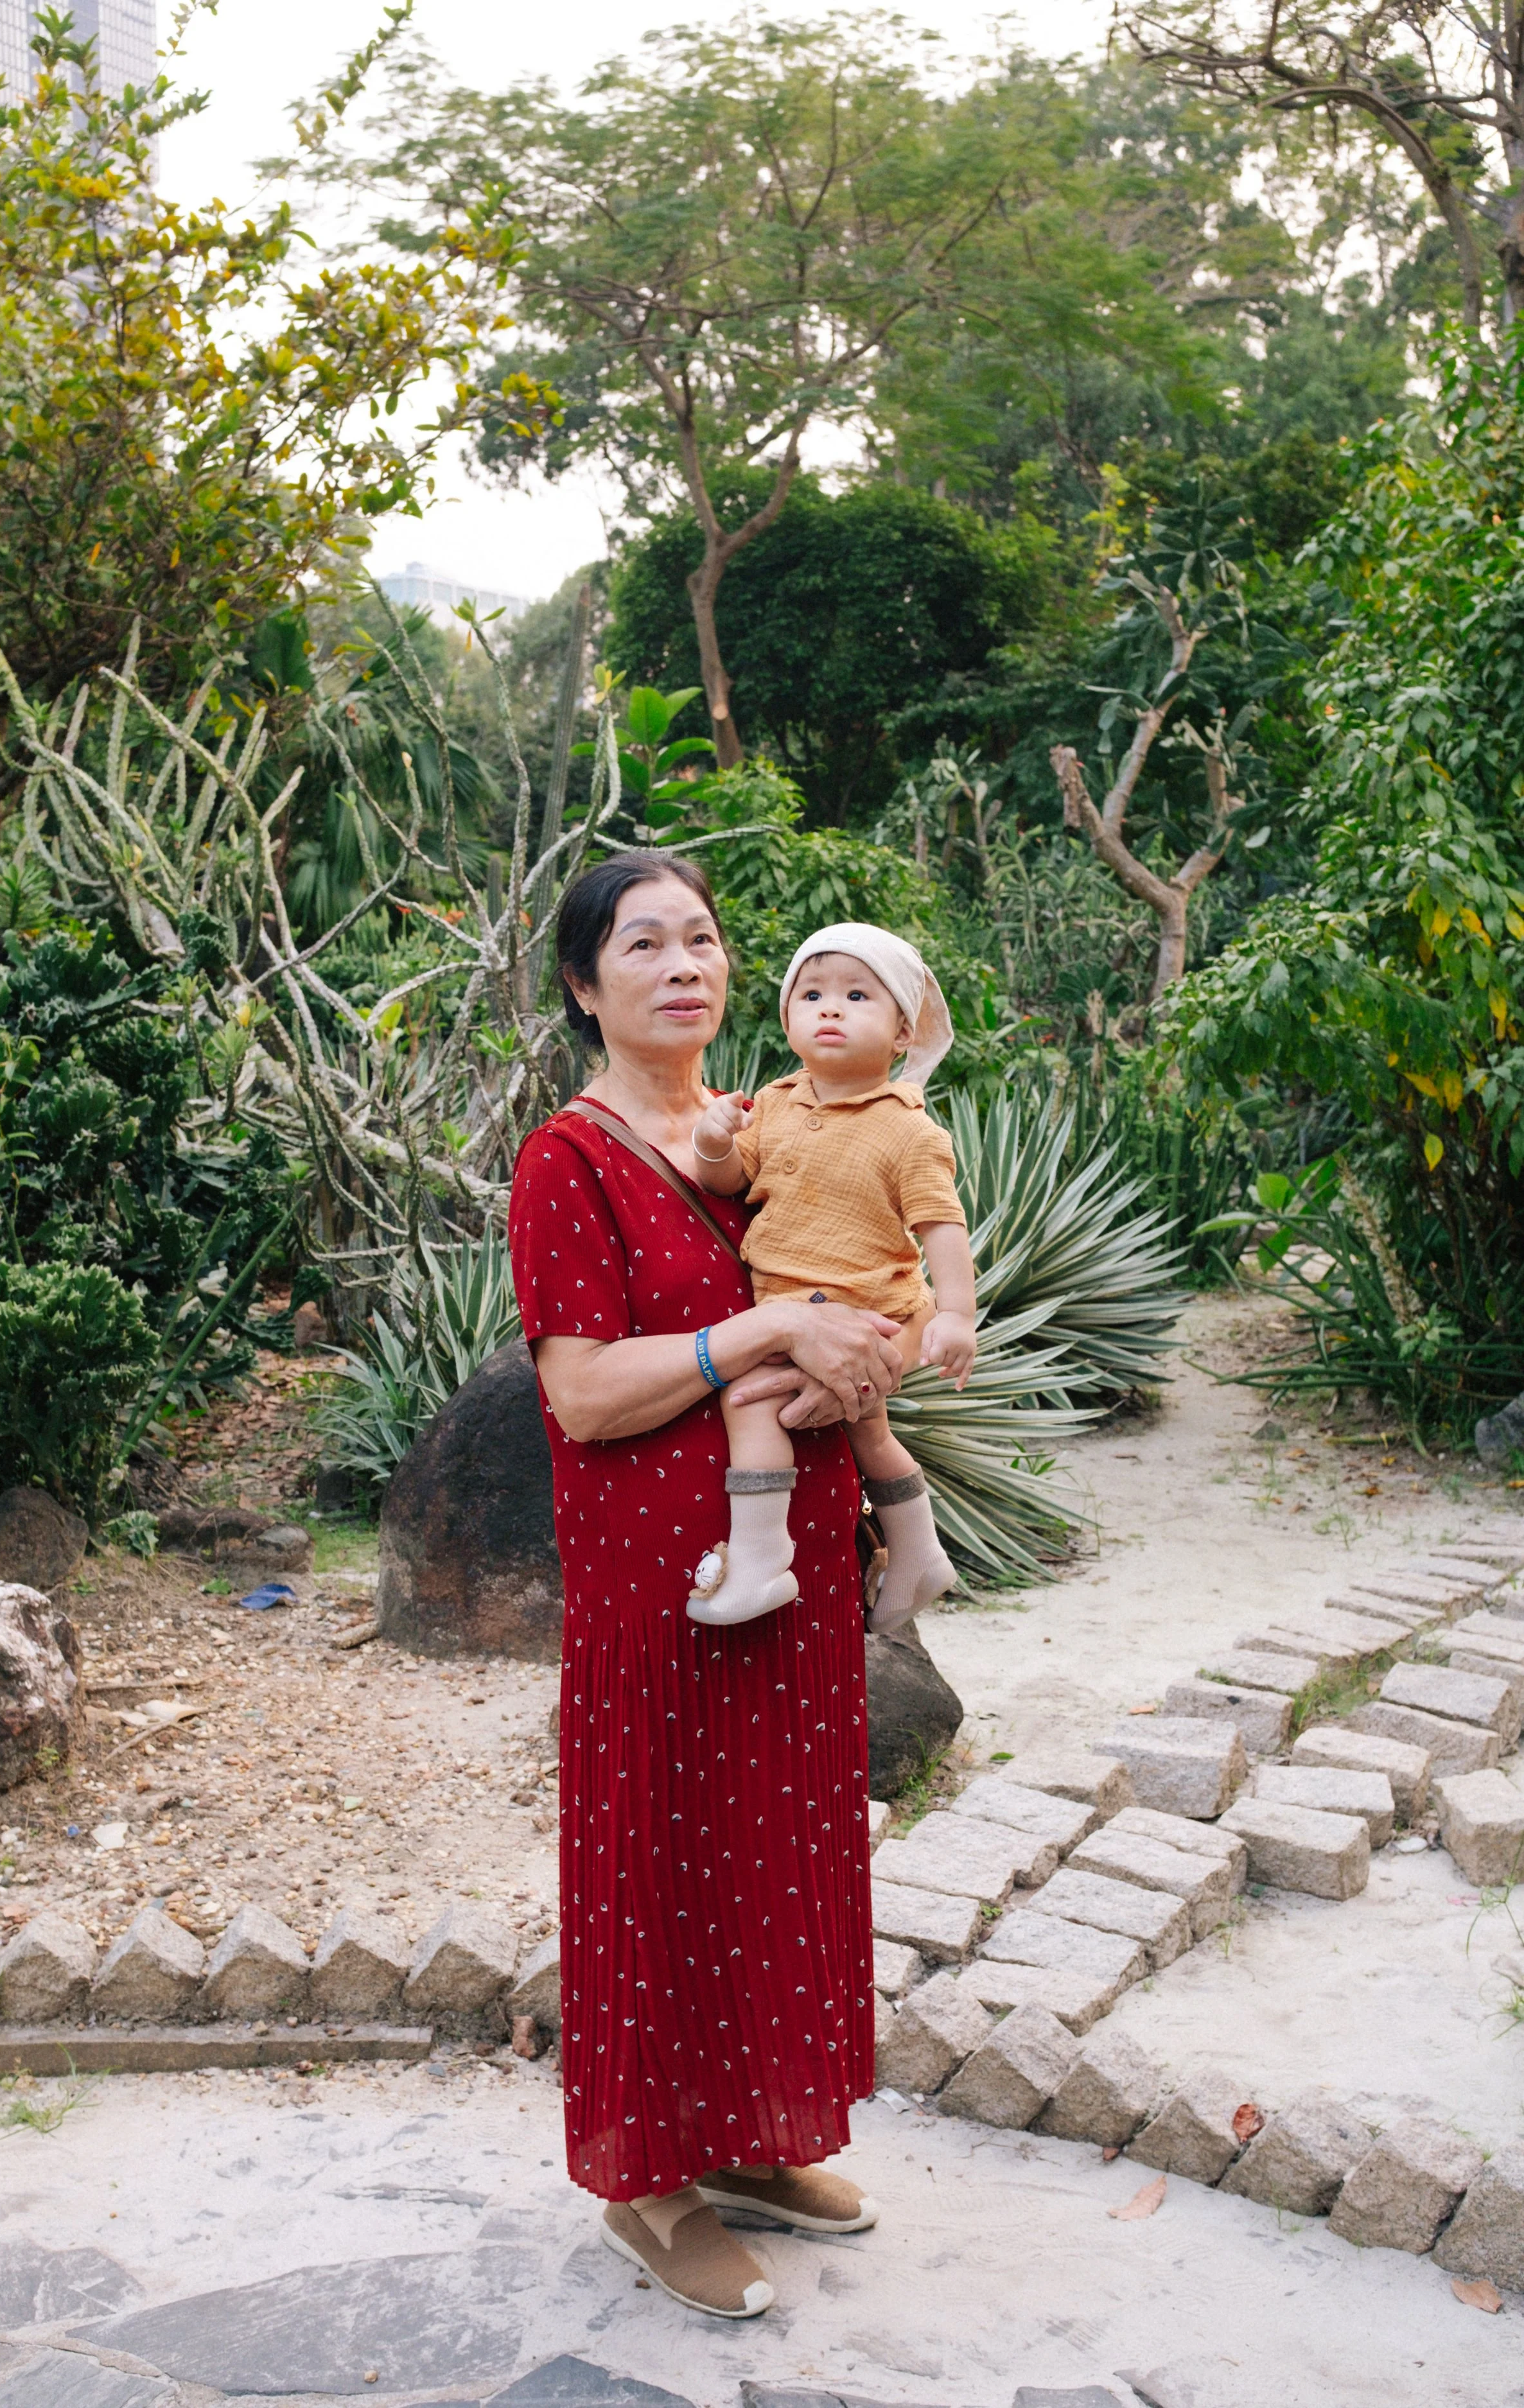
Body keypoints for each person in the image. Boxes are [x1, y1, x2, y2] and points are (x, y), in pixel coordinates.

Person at [507, 853, 901, 2321]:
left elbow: (865, 1257)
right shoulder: (569, 1156)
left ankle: (754, 2138)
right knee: (660, 1868)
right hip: (656, 1582)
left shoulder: (767, 1129)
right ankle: (647, 2179)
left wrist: (868, 1333)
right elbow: (587, 1392)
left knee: (778, 1853)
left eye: (705, 938)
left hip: (787, 1567)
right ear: (582, 983)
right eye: (644, 943)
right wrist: (762, 1334)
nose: (685, 963)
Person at [686, 923, 976, 1632]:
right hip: (794, 1309)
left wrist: (957, 1316)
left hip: (860, 1309)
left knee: (748, 1401)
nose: (831, 1009)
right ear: (788, 1020)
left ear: (902, 1033)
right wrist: (714, 1139)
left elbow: (940, 1225)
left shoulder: (909, 1130)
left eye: (856, 995)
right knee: (870, 1435)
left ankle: (759, 1557)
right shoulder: (775, 1104)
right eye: (811, 994)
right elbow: (728, 1179)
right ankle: (918, 1553)